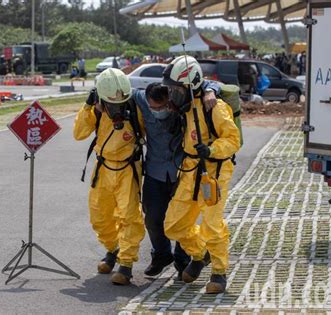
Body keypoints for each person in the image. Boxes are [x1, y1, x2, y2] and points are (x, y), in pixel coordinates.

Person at [161, 56, 241, 294]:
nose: (173, 95)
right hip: (189, 169)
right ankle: (199, 254)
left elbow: (232, 139)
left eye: (176, 90)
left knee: (212, 223)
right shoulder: (185, 106)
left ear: (190, 85)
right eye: (171, 90)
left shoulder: (214, 107)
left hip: (214, 172)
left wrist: (213, 149)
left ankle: (219, 272)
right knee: (173, 225)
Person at [132, 80, 221, 278]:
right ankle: (161, 254)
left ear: (170, 100)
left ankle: (183, 259)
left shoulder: (181, 102)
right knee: (153, 218)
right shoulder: (140, 99)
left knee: (181, 218)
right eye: (153, 107)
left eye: (163, 106)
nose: (158, 111)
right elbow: (117, 90)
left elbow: (208, 82)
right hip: (155, 171)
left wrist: (209, 91)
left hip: (182, 171)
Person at [73, 68, 145, 285]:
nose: (116, 110)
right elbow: (79, 134)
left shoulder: (135, 108)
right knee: (99, 216)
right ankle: (113, 249)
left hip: (128, 168)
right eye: (111, 105)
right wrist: (89, 108)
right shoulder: (95, 110)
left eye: (120, 105)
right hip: (103, 168)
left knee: (129, 216)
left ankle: (126, 264)